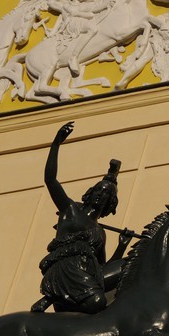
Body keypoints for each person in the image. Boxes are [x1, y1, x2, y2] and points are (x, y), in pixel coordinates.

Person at [33, 121, 128, 314]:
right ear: (90, 193)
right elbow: (50, 179)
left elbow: (102, 268)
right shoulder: (70, 209)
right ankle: (52, 295)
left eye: (107, 194)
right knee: (98, 302)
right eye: (99, 190)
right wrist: (56, 143)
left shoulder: (99, 232)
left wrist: (121, 246)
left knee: (128, 265)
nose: (101, 195)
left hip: (87, 274)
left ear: (110, 203)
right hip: (66, 268)